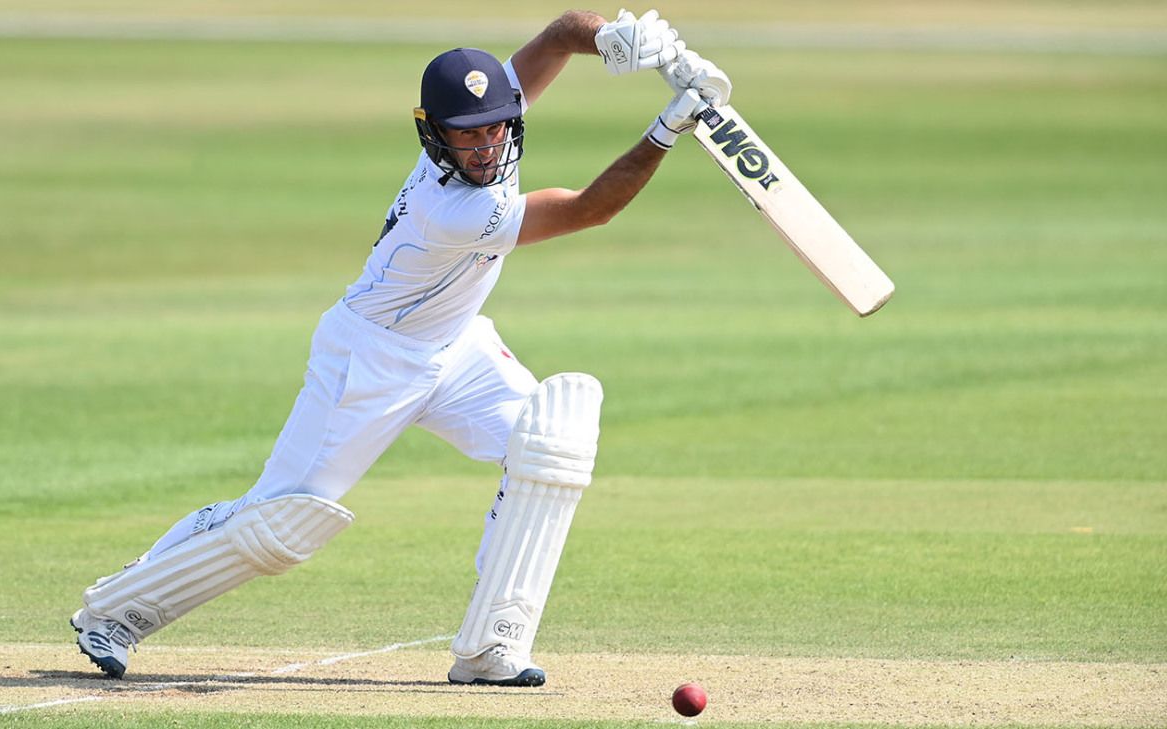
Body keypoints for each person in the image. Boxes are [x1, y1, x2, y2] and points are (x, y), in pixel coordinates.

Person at [70, 8, 729, 686]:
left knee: (547, 443)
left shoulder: (490, 120)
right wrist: (667, 127)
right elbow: (592, 208)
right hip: (370, 360)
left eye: (497, 126)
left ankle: (491, 646)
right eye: (466, 136)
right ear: (434, 135)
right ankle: (117, 609)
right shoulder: (456, 211)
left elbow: (560, 32)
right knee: (279, 524)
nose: (485, 146)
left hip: (454, 345)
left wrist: (622, 41)